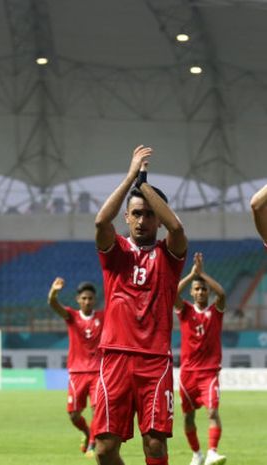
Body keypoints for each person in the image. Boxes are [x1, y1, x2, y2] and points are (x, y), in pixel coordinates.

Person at [92, 145, 187, 465]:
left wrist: (144, 184)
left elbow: (176, 228)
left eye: (149, 214)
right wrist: (132, 176)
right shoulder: (115, 251)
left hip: (155, 362)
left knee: (155, 445)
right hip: (114, 358)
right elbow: (100, 221)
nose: (142, 220)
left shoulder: (169, 255)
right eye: (136, 213)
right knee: (104, 450)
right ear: (127, 217)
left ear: (157, 220)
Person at [175, 252, 227, 465]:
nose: (201, 292)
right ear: (192, 293)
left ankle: (213, 451)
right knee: (188, 417)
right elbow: (173, 293)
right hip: (188, 373)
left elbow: (222, 294)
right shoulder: (185, 311)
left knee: (213, 411)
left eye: (203, 289)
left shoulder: (216, 311)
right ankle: (197, 454)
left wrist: (203, 275)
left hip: (209, 372)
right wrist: (191, 275)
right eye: (197, 289)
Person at [47, 278, 104, 457]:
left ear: (94, 300)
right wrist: (54, 291)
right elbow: (53, 304)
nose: (87, 301)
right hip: (77, 372)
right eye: (84, 298)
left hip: (98, 372)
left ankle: (93, 444)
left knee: (97, 410)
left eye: (90, 298)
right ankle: (87, 432)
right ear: (78, 300)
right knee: (73, 414)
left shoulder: (102, 317)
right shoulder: (72, 316)